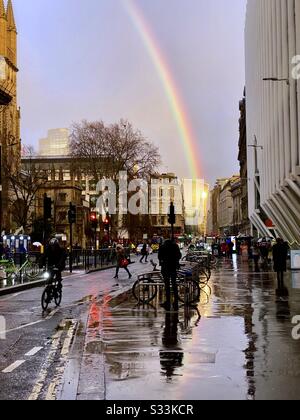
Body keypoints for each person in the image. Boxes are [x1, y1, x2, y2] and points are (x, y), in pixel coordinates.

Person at [158, 239, 182, 311]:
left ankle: (168, 301)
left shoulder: (162, 247)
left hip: (165, 268)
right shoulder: (175, 246)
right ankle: (176, 300)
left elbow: (159, 257)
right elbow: (179, 255)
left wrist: (164, 260)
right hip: (173, 267)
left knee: (167, 285)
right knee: (174, 284)